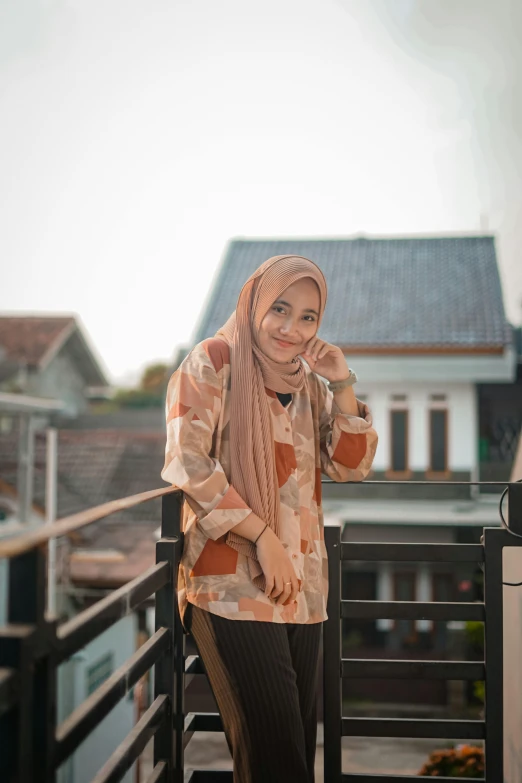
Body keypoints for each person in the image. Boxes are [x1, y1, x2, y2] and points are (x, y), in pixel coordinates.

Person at [161, 255, 378, 782]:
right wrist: (261, 535)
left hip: (300, 594)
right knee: (276, 761)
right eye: (280, 309)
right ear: (255, 302)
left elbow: (351, 466)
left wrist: (342, 382)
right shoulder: (213, 361)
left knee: (292, 757)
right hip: (230, 586)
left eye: (308, 317)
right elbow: (186, 461)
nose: (291, 328)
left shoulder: (307, 383)